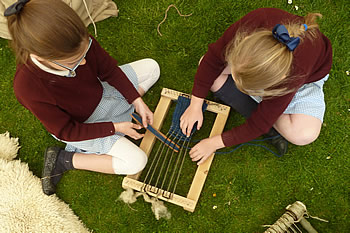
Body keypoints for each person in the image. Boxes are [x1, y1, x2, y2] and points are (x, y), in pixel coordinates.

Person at [5, 0, 160, 195]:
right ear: (43, 57)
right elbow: (67, 131)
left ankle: (123, 111)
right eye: (75, 60)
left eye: (85, 49)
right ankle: (66, 159)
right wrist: (115, 128)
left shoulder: (76, 39)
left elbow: (108, 70)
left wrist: (136, 100)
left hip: (101, 93)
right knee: (137, 162)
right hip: (82, 124)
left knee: (152, 68)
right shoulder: (28, 87)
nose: (85, 61)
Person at [180, 8, 332, 165]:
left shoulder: (289, 78)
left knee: (304, 134)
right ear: (245, 40)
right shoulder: (254, 22)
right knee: (204, 64)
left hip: (304, 82)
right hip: (262, 67)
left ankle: (266, 117)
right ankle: (263, 112)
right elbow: (211, 60)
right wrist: (195, 105)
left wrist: (213, 143)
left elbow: (258, 124)